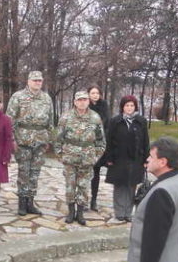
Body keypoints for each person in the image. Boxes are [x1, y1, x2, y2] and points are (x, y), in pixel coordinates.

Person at [6, 70, 54, 216]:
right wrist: (12, 139)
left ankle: (30, 203)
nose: (37, 83)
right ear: (28, 81)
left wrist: (50, 140)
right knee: (23, 172)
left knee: (35, 173)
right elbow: (10, 120)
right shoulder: (18, 97)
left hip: (40, 141)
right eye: (35, 80)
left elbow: (50, 121)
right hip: (23, 141)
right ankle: (21, 203)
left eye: (39, 81)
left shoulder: (46, 98)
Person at [55, 91, 106, 225]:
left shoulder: (95, 117)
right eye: (79, 100)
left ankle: (80, 213)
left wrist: (96, 156)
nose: (82, 102)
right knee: (70, 186)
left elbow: (101, 141)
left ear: (88, 101)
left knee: (83, 186)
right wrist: (61, 155)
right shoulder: (66, 117)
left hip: (87, 158)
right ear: (75, 102)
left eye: (84, 100)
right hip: (70, 158)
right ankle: (71, 212)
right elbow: (58, 139)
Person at [105, 95, 149, 223]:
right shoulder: (115, 121)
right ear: (122, 107)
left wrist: (146, 159)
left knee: (131, 186)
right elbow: (109, 141)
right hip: (118, 158)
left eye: (131, 105)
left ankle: (128, 213)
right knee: (119, 186)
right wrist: (109, 158)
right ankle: (119, 213)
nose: (129, 108)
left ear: (135, 107)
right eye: (127, 105)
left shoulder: (141, 121)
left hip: (136, 159)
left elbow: (146, 140)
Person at [88, 85, 110, 211]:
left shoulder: (104, 106)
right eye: (92, 92)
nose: (95, 95)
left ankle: (94, 199)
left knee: (95, 172)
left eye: (97, 93)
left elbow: (106, 122)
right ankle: (82, 199)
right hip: (86, 143)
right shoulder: (85, 105)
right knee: (85, 173)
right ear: (88, 94)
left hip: (98, 143)